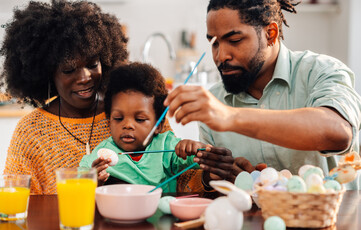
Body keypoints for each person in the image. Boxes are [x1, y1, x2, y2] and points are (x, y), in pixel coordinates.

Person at [1, 0, 234, 194]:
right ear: (48, 74)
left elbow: (179, 180)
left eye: (92, 64)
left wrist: (206, 176)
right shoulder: (31, 132)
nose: (84, 77)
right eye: (69, 70)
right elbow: (18, 199)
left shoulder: (133, 111)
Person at [164, 0, 361, 188]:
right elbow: (215, 184)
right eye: (214, 43)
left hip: (334, 219)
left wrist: (230, 117)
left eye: (234, 40)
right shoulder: (214, 101)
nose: (221, 56)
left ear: (270, 34)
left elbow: (338, 133)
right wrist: (222, 174)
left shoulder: (320, 71)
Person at [80, 62, 209, 192]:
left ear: (158, 125)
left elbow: (204, 158)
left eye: (140, 119)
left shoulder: (166, 145)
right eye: (118, 119)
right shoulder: (102, 154)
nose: (128, 125)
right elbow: (78, 179)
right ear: (109, 122)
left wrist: (195, 148)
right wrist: (92, 179)